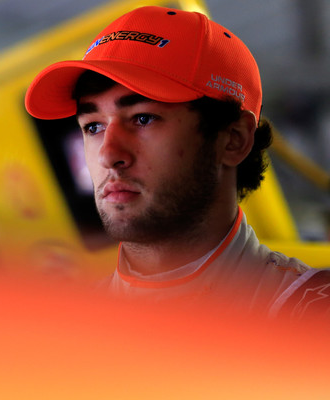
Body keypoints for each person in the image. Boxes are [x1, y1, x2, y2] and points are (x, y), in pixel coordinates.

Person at [25, 5, 330, 320]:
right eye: (93, 127)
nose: (107, 154)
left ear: (234, 139)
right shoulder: (62, 329)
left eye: (143, 119)